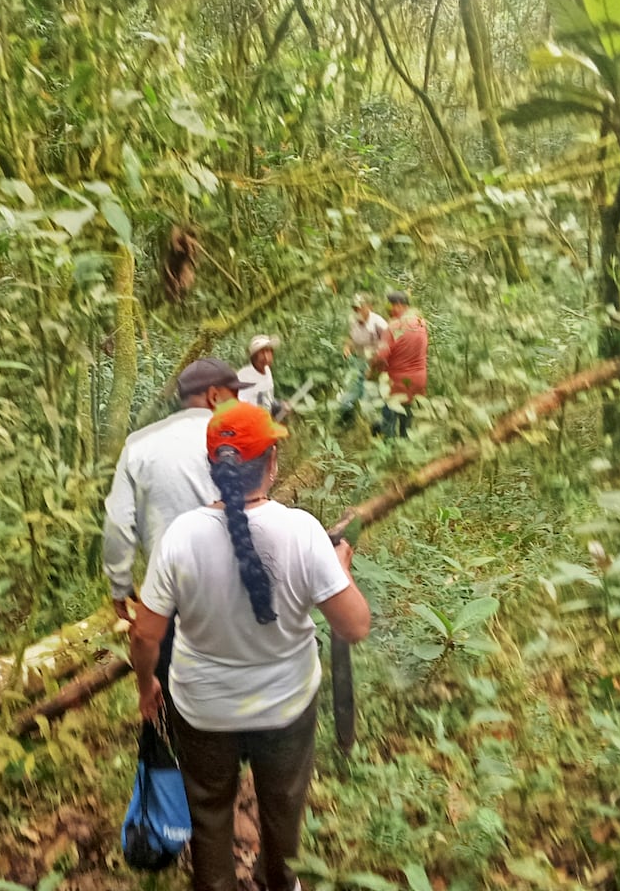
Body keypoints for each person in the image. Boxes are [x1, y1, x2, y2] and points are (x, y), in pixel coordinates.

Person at [131, 401, 371, 891]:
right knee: (283, 808)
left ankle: (215, 883)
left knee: (209, 809)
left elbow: (144, 634)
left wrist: (145, 685)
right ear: (273, 463)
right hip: (285, 708)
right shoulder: (303, 533)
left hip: (202, 711)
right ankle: (281, 881)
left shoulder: (180, 538)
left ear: (212, 468)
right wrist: (339, 567)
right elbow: (354, 626)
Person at [102, 358, 251, 624]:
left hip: (167, 598)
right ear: (214, 396)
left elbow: (118, 522)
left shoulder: (138, 444)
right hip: (233, 594)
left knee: (172, 665)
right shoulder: (237, 441)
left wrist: (120, 586)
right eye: (235, 395)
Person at [371, 290, 428, 438]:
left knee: (388, 421)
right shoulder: (421, 323)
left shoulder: (393, 327)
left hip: (396, 382)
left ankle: (388, 451)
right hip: (418, 381)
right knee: (407, 419)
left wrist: (372, 369)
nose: (388, 310)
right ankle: (405, 450)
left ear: (397, 305)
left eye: (390, 306)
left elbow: (381, 356)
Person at [339, 294, 388, 423]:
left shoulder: (379, 323)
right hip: (358, 360)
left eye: (360, 308)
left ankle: (375, 426)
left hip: (376, 362)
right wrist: (347, 347)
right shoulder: (353, 321)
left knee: (371, 394)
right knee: (351, 389)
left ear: (368, 307)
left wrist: (375, 366)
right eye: (355, 309)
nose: (357, 311)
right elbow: (350, 338)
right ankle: (347, 420)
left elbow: (388, 344)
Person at [237, 334, 279, 412]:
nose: (266, 357)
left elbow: (268, 400)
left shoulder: (267, 371)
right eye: (262, 353)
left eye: (268, 351)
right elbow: (242, 405)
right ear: (254, 357)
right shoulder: (244, 376)